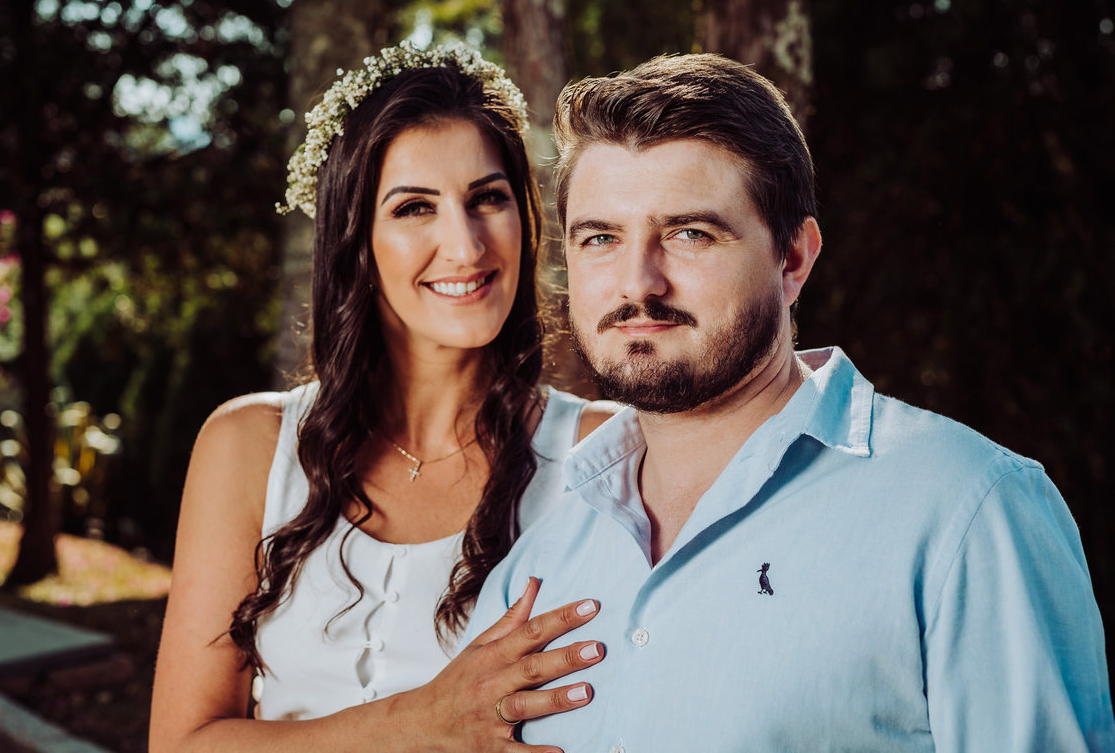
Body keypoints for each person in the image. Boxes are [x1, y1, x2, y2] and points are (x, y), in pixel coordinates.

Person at [467, 53, 1115, 752]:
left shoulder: (968, 508)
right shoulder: (536, 571)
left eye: (690, 234)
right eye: (601, 238)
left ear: (793, 258)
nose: (638, 283)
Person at [149, 43, 617, 753]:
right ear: (356, 238)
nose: (466, 246)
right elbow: (181, 743)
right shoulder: (248, 446)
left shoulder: (602, 453)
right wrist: (419, 723)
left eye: (487, 198)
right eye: (414, 207)